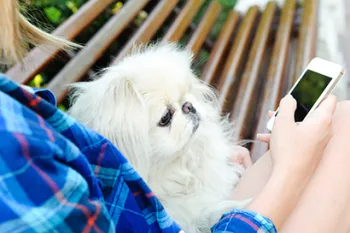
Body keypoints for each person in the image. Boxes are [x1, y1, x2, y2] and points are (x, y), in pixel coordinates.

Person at [1, 0, 350, 232]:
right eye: (166, 117)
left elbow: (105, 171)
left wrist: (203, 159)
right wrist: (292, 168)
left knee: (341, 122)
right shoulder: (11, 144)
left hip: (177, 206)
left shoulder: (14, 110)